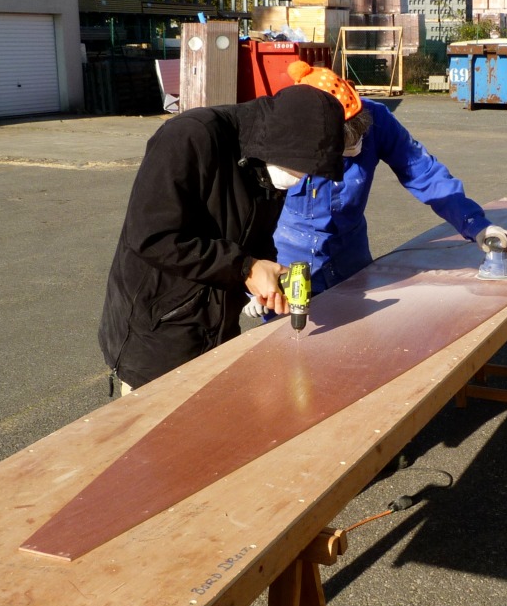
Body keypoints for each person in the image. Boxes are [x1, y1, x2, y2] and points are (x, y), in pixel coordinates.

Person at [99, 85, 346, 392]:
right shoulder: (190, 136)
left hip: (216, 328)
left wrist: (264, 275)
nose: (301, 178)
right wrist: (246, 268)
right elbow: (151, 237)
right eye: (300, 168)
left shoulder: (266, 163)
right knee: (157, 435)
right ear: (278, 141)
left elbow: (252, 237)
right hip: (158, 335)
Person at [243, 61, 507, 317]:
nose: (357, 149)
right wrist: (252, 276)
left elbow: (424, 172)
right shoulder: (282, 135)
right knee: (289, 347)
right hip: (288, 256)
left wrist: (476, 224)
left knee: (360, 337)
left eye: (360, 140)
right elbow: (247, 211)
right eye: (346, 148)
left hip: (350, 253)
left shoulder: (378, 119)